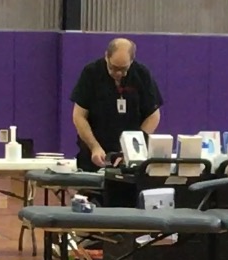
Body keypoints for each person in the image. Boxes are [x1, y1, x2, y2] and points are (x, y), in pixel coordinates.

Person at [70, 38, 164, 173]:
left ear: (132, 61)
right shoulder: (91, 73)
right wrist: (94, 147)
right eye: (113, 68)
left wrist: (131, 149)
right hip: (94, 153)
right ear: (106, 57)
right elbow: (79, 116)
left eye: (124, 69)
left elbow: (153, 116)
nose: (119, 73)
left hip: (129, 157)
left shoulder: (142, 74)